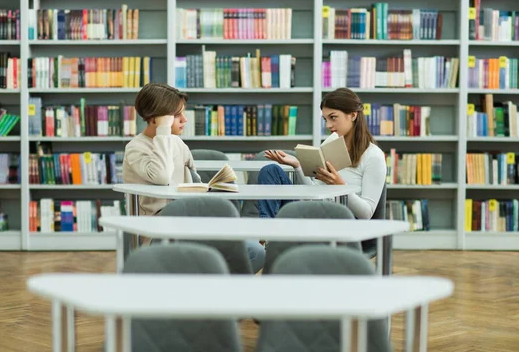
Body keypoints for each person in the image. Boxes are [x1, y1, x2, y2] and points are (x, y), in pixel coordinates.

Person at [122, 82, 265, 272]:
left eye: (183, 113)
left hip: (190, 221)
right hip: (160, 228)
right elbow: (162, 176)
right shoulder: (136, 148)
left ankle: (212, 292)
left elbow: (194, 182)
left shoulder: (178, 143)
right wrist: (163, 132)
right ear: (155, 118)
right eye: (176, 115)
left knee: (256, 252)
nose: (184, 119)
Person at [258, 87, 387, 219]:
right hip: (314, 210)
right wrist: (298, 166)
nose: (328, 125)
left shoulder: (373, 156)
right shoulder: (329, 146)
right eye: (325, 119)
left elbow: (366, 214)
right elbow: (313, 196)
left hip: (340, 219)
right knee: (270, 171)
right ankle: (267, 233)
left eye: (333, 117)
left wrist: (340, 186)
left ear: (353, 115)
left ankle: (279, 233)